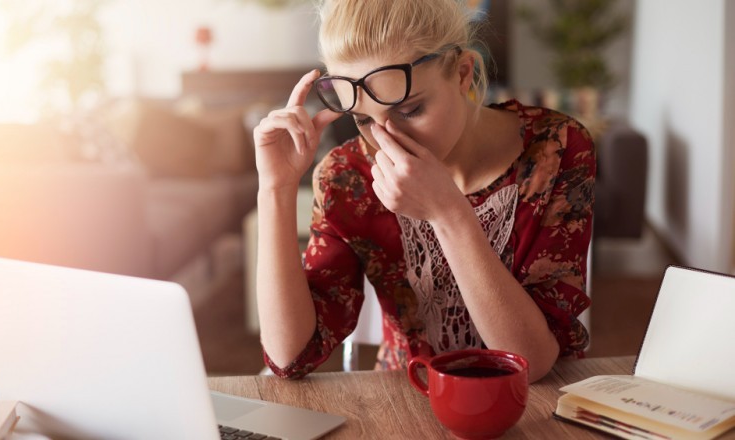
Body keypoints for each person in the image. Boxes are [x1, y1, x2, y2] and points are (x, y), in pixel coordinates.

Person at [253, 0, 594, 383]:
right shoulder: (348, 177)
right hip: (407, 399)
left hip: (537, 408)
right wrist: (275, 189)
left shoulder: (556, 148)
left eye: (410, 110)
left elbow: (531, 363)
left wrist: (449, 213)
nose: (387, 142)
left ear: (464, 73)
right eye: (364, 120)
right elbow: (290, 357)